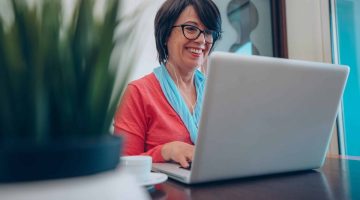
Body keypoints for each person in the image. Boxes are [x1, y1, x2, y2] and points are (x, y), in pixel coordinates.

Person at [114, 0, 222, 168]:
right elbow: (122, 166)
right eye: (191, 29)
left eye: (209, 32)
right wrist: (166, 151)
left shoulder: (217, 92)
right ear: (165, 35)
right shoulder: (138, 93)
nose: (202, 40)